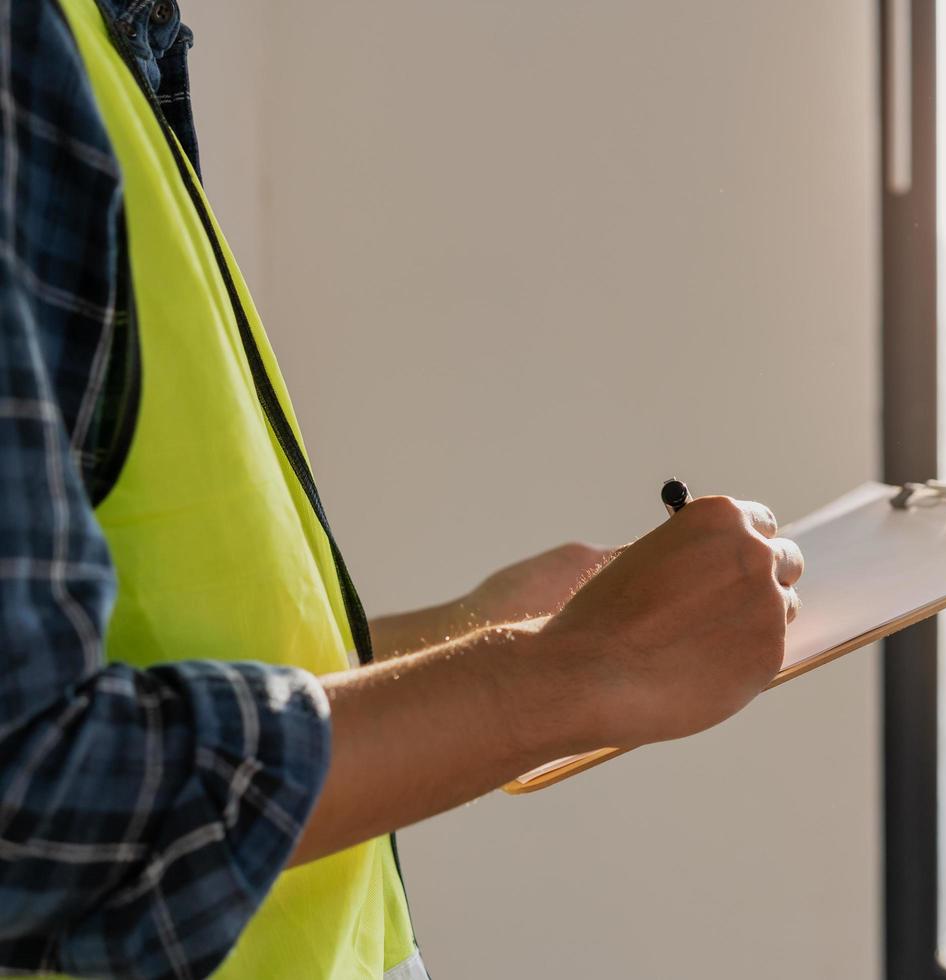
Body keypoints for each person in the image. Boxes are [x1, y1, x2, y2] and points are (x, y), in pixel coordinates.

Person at [0, 1, 804, 977]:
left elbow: (173, 647)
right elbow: (33, 800)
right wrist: (571, 668)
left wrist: (472, 626)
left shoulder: (108, 43)